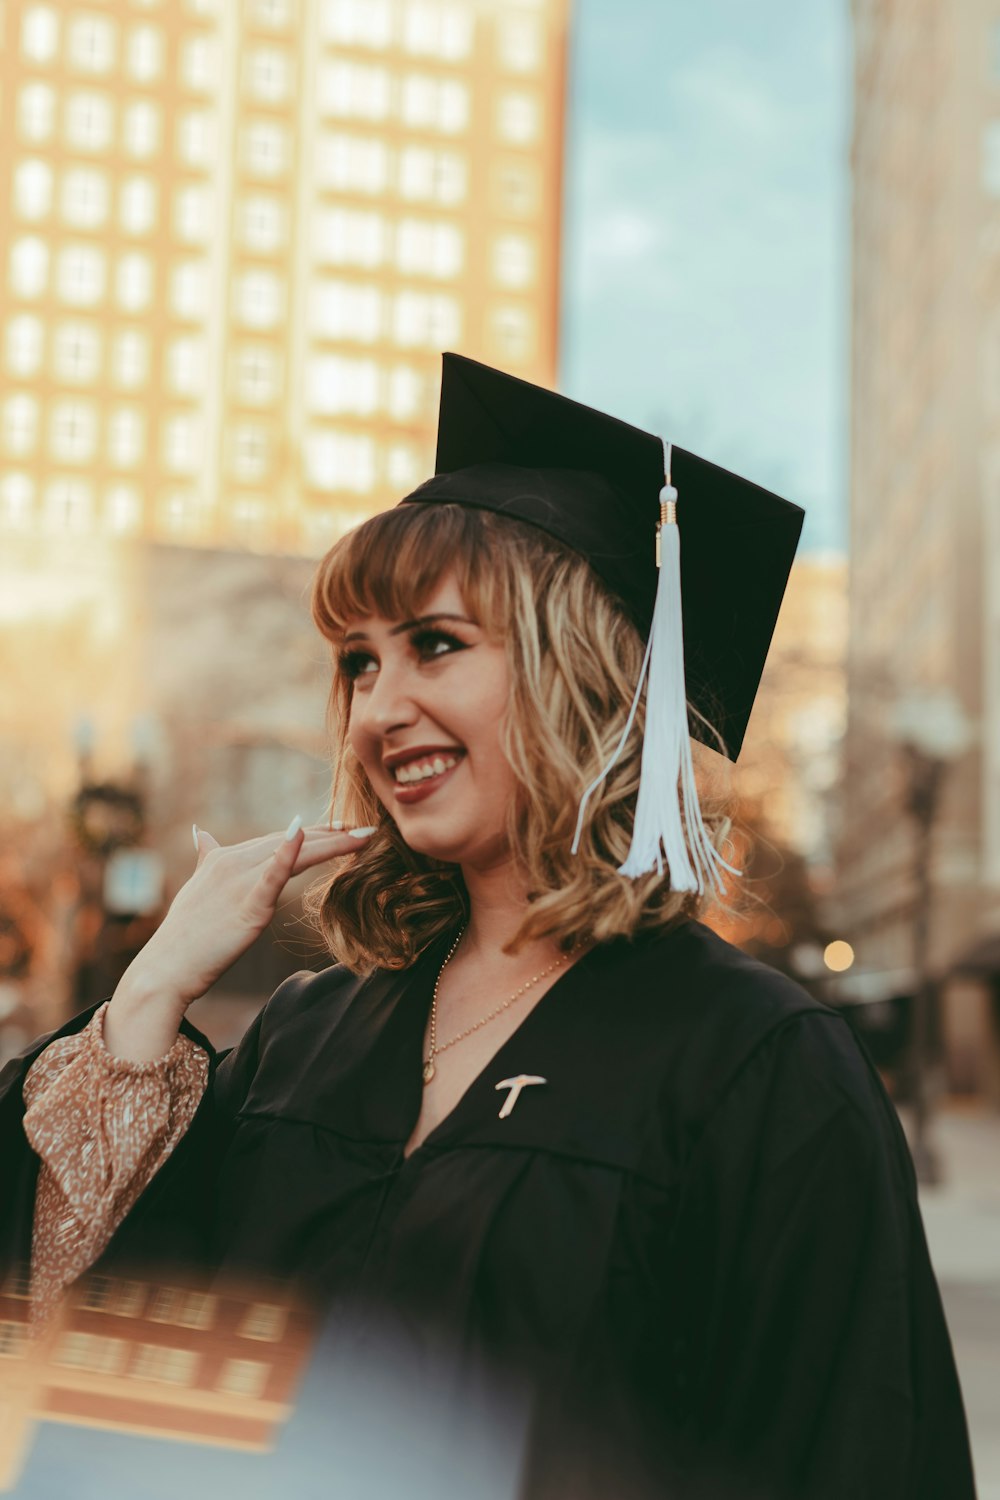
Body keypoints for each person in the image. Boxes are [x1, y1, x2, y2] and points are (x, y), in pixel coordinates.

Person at [0, 356, 977, 1500]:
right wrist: (150, 996)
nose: (378, 709)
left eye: (436, 645)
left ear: (582, 676)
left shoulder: (754, 1065)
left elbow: (846, 1455)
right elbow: (96, 1349)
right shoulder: (306, 1035)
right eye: (358, 664)